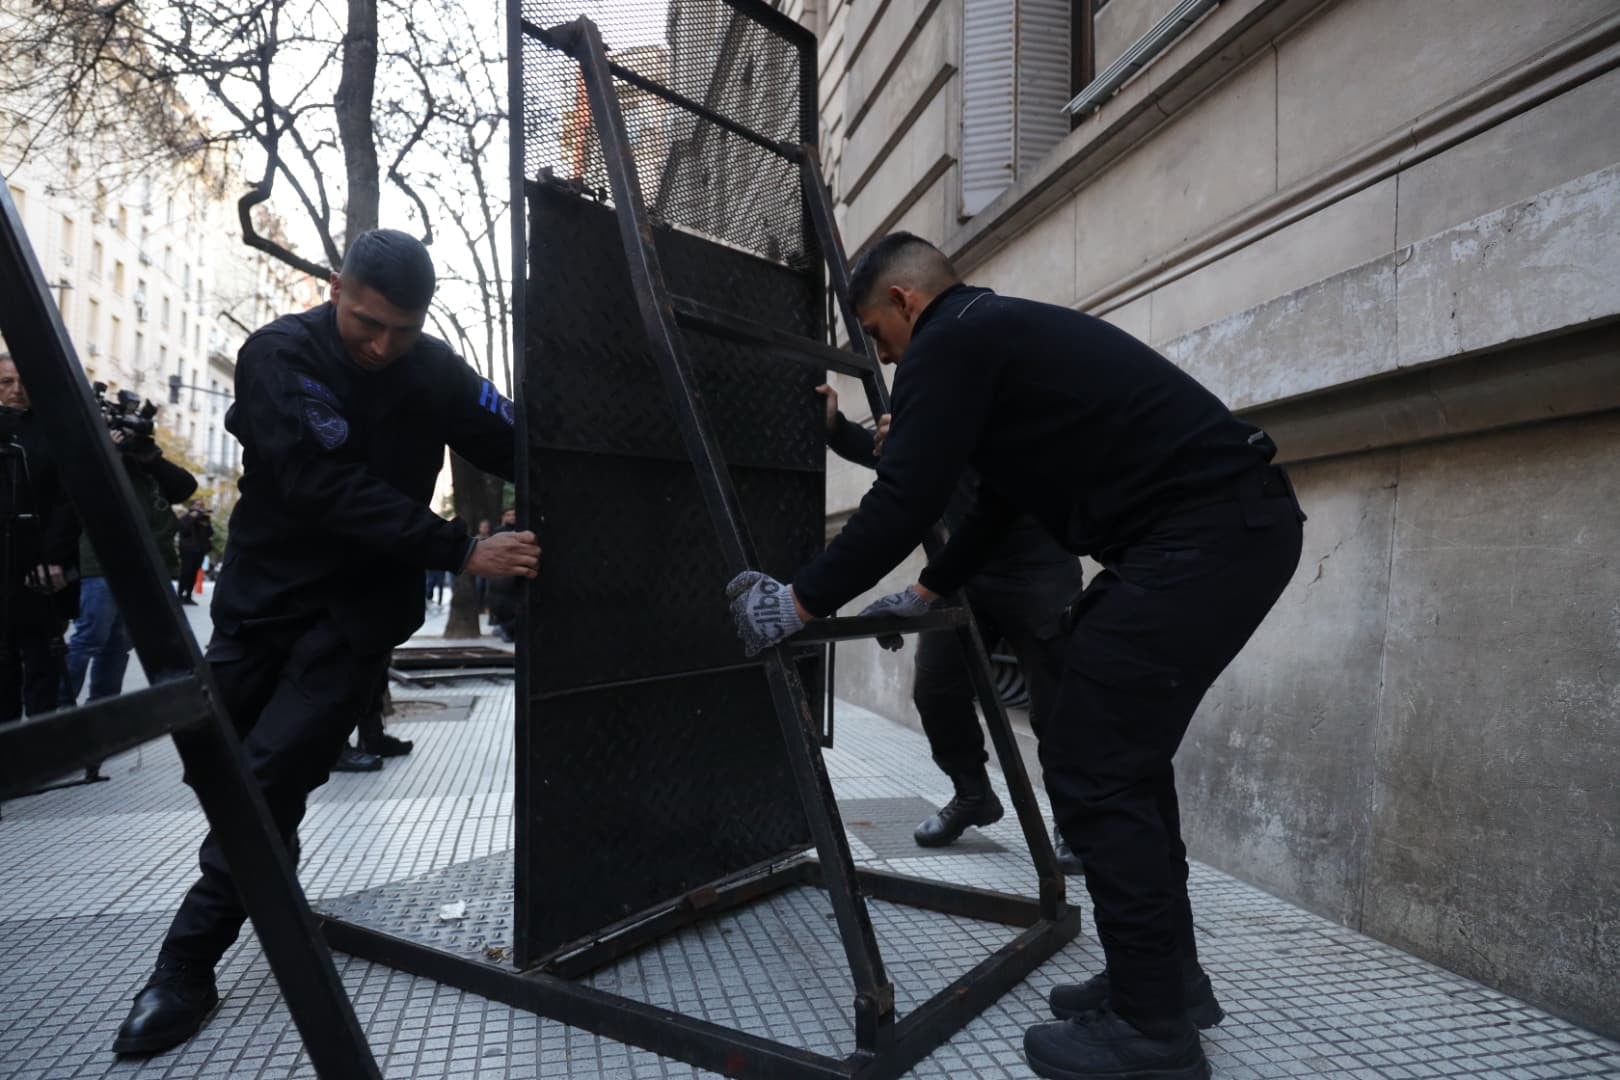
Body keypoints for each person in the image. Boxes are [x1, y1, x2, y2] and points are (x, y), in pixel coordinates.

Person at [725, 234, 1304, 1080]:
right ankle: (1164, 983)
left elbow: (904, 497)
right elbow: (997, 507)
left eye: (875, 333)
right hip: (1221, 533)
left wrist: (797, 603)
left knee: (1095, 765)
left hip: (1202, 539)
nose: (880, 356)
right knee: (1125, 766)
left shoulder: (949, 340)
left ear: (905, 301)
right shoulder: (992, 338)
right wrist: (925, 591)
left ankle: (1153, 1034)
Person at [111, 229, 540, 1057]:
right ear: (336, 289)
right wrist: (457, 548)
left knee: (270, 777)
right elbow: (318, 482)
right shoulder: (278, 354)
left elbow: (518, 436)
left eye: (403, 330)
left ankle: (184, 966)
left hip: (354, 618)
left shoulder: (433, 368)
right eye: (368, 323)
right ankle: (268, 881)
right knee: (224, 771)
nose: (382, 346)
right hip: (262, 606)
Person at [816, 381, 1083, 864]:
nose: (884, 355)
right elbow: (894, 461)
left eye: (882, 340)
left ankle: (1075, 822)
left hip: (1038, 567)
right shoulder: (926, 390)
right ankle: (973, 793)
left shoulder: (980, 380)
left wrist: (928, 433)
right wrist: (835, 427)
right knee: (935, 688)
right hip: (963, 571)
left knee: (1057, 704)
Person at [60, 425, 197, 715]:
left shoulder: (148, 467)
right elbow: (77, 489)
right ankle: (59, 708)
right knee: (90, 638)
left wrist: (152, 458)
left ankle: (102, 711)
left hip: (143, 566)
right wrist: (106, 451)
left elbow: (186, 486)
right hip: (103, 562)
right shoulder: (96, 459)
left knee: (119, 644)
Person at [0, 352, 78, 724]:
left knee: (41, 666)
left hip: (40, 571)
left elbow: (68, 501)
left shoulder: (55, 431)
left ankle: (42, 744)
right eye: (6, 382)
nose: (16, 390)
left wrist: (54, 559)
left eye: (23, 382)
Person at [484, 506, 521, 642]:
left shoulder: (522, 530)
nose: (512, 517)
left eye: (514, 514)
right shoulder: (498, 532)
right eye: (509, 515)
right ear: (503, 517)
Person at [175, 501, 212, 605]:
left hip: (200, 549)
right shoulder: (185, 518)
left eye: (202, 505)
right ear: (191, 506)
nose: (200, 507)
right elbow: (184, 530)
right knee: (186, 571)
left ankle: (188, 595)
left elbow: (210, 533)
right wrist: (193, 517)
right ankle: (180, 594)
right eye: (197, 505)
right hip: (187, 549)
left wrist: (205, 520)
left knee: (194, 572)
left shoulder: (204, 519)